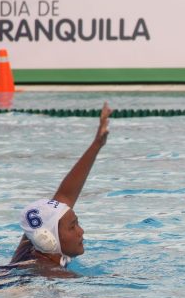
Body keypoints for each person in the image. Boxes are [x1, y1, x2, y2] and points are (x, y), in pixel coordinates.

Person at [10, 102, 112, 276]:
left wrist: (97, 144)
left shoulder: (36, 240)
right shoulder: (54, 274)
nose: (81, 231)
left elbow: (65, 195)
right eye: (72, 227)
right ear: (49, 239)